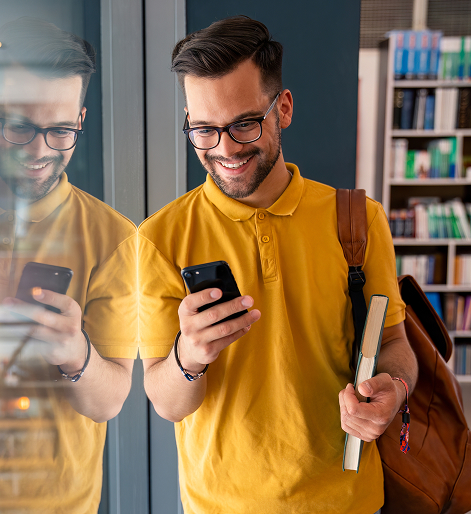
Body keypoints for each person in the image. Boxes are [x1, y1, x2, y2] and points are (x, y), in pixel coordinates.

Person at [138, 16, 418, 513]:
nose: (224, 149)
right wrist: (189, 357)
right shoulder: (160, 239)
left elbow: (395, 343)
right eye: (203, 129)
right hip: (220, 505)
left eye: (245, 123)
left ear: (282, 108)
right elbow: (166, 402)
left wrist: (393, 390)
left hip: (346, 499)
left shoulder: (357, 220)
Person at [0, 17, 136, 512]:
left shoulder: (114, 237)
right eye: (22, 127)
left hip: (60, 503)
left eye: (61, 131)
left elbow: (109, 400)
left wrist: (75, 352)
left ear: (81, 120)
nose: (39, 151)